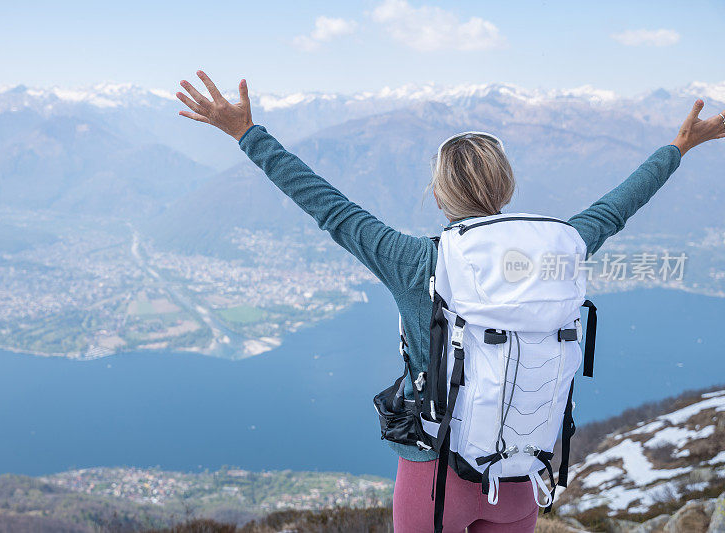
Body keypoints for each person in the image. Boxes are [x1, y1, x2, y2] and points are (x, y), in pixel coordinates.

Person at [176, 71, 725, 532]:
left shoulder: (417, 262)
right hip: (521, 472)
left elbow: (327, 206)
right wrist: (680, 146)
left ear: (439, 195)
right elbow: (618, 205)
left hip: (434, 475)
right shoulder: (564, 249)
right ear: (506, 189)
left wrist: (246, 133)